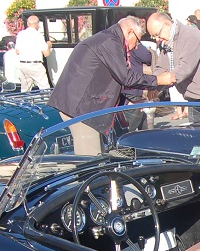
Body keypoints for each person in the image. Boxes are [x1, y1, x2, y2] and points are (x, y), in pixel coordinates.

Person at [49, 16, 174, 155]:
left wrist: (127, 101)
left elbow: (112, 80)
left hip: (84, 105)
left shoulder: (109, 39)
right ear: (130, 32)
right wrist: (158, 80)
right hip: (80, 108)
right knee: (91, 157)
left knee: (98, 155)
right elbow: (126, 77)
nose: (136, 47)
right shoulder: (110, 41)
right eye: (137, 41)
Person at [147, 12, 200, 124]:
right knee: (196, 133)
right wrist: (154, 84)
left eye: (157, 34)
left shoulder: (191, 35)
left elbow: (185, 67)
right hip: (193, 97)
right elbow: (161, 67)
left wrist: (165, 79)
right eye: (154, 36)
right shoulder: (166, 43)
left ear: (167, 24)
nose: (157, 39)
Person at [15, 15, 54, 91]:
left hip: (23, 64)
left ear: (28, 23)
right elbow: (46, 54)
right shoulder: (38, 35)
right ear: (38, 24)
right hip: (35, 65)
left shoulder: (21, 34)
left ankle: (25, 99)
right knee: (44, 88)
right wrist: (49, 45)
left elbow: (17, 51)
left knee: (25, 90)